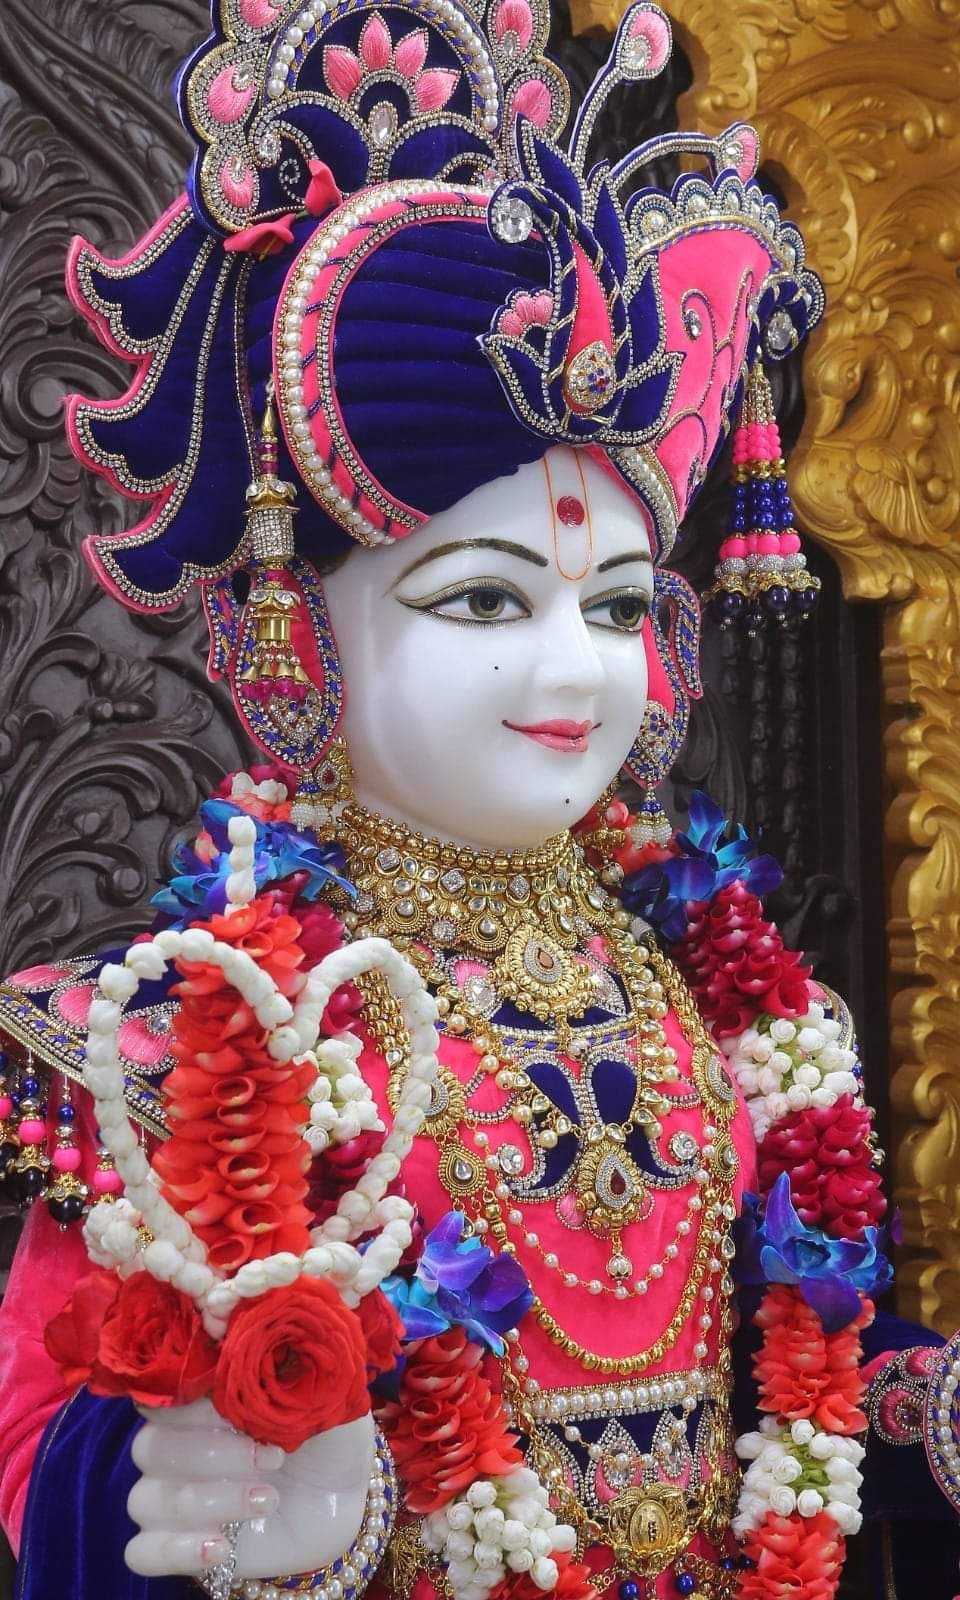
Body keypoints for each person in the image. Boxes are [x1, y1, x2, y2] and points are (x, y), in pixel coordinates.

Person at [0, 2, 957, 1597]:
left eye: (618, 604)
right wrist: (240, 1497)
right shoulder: (193, 1038)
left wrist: (931, 1414)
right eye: (487, 601)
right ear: (298, 636)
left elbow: (802, 1372)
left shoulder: (723, 999)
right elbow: (48, 1446)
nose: (576, 668)